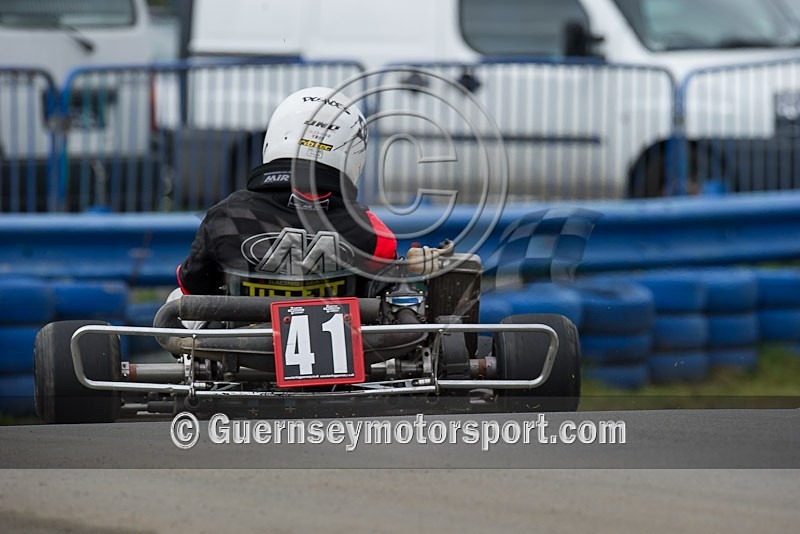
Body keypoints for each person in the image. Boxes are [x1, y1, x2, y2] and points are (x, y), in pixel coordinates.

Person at [176, 86, 397, 298]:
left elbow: (193, 287)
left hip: (242, 335)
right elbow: (383, 295)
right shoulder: (373, 233)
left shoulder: (225, 216)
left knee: (177, 299)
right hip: (341, 333)